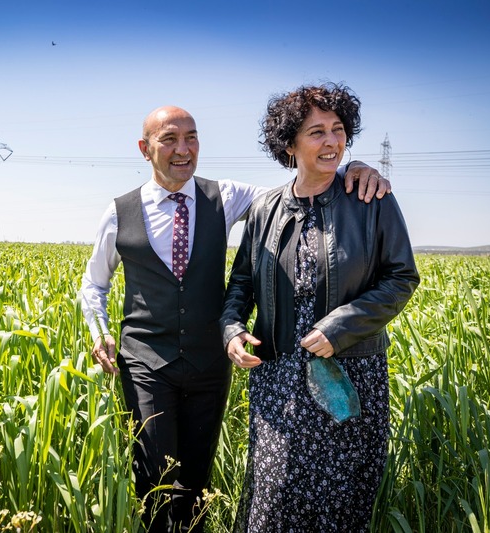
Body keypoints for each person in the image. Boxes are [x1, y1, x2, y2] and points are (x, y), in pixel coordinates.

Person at [80, 105, 388, 532]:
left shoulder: (226, 196)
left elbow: (301, 184)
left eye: (192, 138)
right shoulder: (119, 213)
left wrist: (354, 166)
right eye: (169, 139)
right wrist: (100, 332)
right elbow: (93, 284)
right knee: (153, 479)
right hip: (145, 361)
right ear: (145, 148)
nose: (183, 149)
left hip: (210, 363)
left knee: (197, 481)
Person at [221, 83, 420, 532]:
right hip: (278, 379)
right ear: (289, 144)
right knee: (273, 500)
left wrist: (340, 327)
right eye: (316, 132)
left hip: (350, 376)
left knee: (341, 504)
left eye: (338, 130)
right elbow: (241, 284)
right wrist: (231, 329)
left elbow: (401, 277)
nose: (332, 142)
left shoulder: (371, 200)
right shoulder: (264, 208)